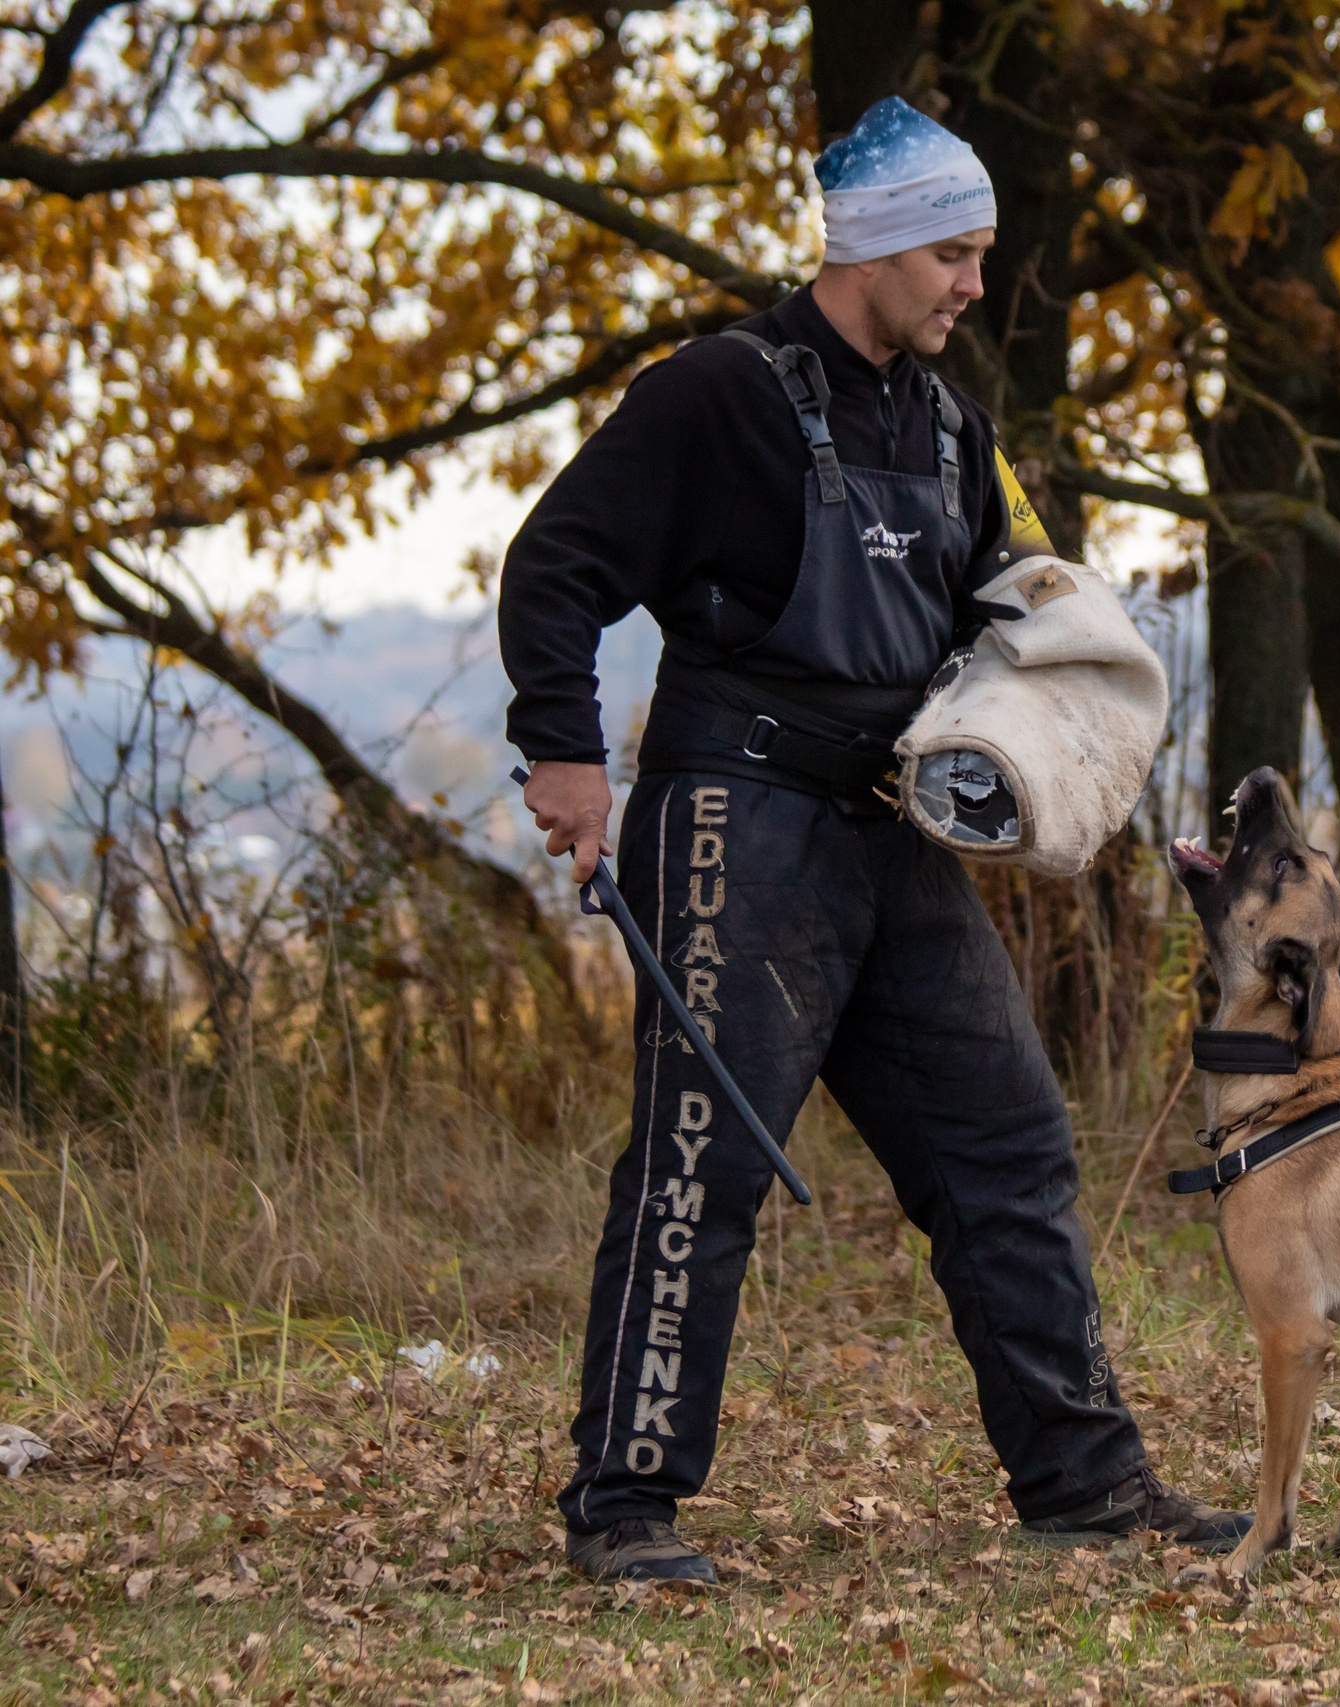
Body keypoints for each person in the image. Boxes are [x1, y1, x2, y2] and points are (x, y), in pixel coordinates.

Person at [499, 96, 1247, 1584]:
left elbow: (1010, 593)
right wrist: (568, 761)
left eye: (980, 253)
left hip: (893, 827)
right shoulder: (714, 393)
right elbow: (558, 563)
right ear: (878, 249)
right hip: (737, 821)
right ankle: (625, 1506)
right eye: (955, 254)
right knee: (699, 1158)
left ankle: (1084, 1483)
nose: (976, 284)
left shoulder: (949, 421)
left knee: (1010, 1141)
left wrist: (1061, 704)